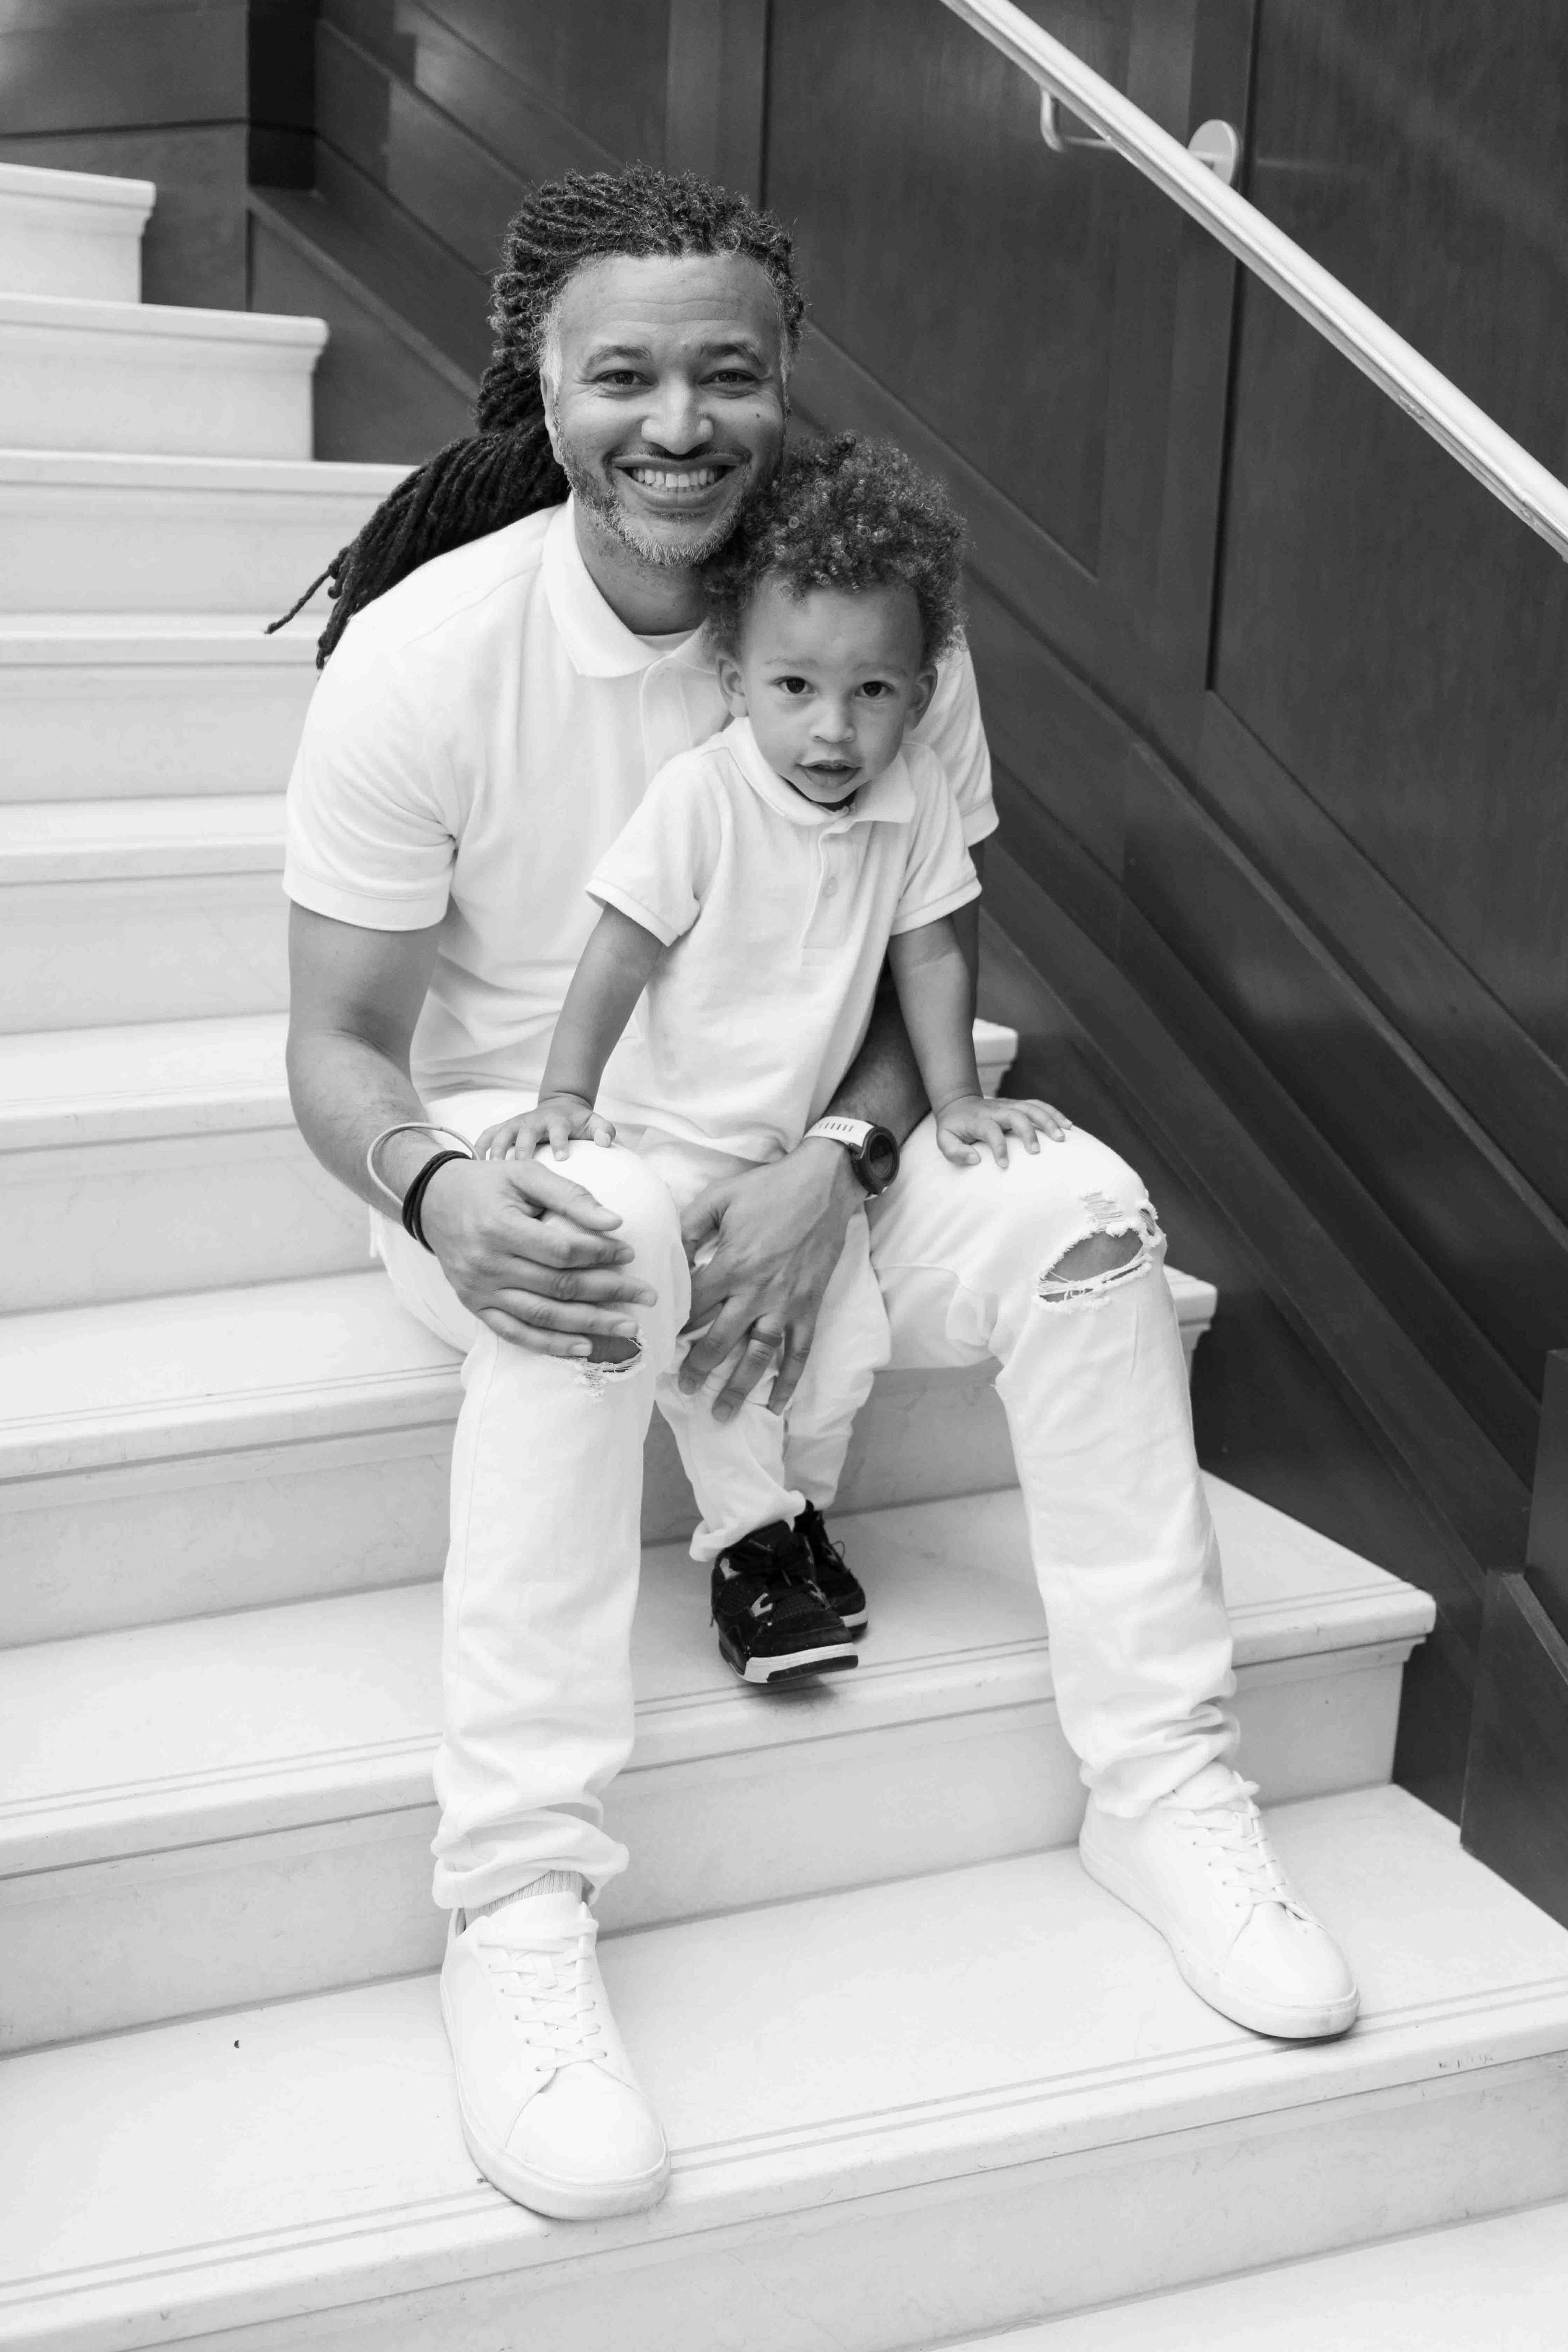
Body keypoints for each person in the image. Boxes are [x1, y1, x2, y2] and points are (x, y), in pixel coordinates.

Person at [282, 165, 1360, 2229]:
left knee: (1092, 1219)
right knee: (596, 1237)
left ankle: (1166, 1788)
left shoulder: (877, 627)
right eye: (624, 375)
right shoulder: (426, 657)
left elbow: (913, 944)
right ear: (543, 384)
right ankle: (516, 1902)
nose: (678, 422)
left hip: (803, 1139)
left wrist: (843, 1161)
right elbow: (335, 1045)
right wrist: (432, 1188)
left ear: (787, 378)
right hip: (531, 1155)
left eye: (730, 371)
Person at [477, 433, 1070, 1687]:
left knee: (842, 1353)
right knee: (732, 1364)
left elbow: (933, 956)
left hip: (804, 1146)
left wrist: (958, 1099)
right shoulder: (703, 799)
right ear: (736, 679)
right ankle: (748, 1548)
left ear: (921, 693)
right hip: (684, 1146)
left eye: (873, 692)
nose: (834, 729)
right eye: (796, 686)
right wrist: (566, 1095)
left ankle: (799, 1517)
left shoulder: (915, 800)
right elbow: (618, 952)